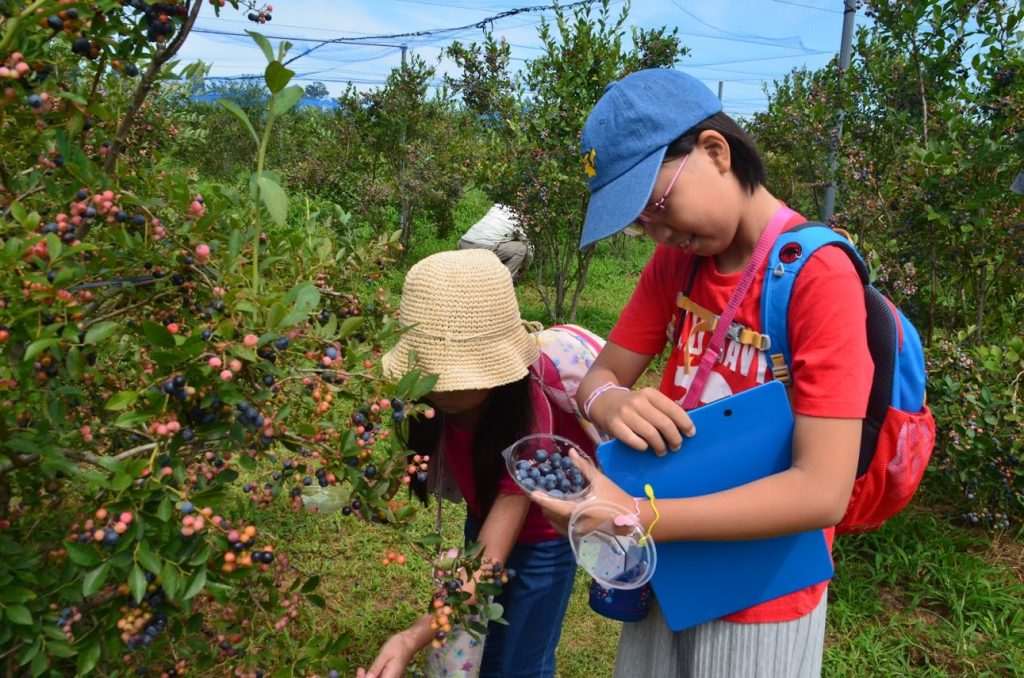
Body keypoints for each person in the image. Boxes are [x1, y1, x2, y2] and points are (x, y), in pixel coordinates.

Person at [530, 68, 874, 677]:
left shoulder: (815, 277)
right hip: (671, 564)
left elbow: (823, 491)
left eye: (658, 207)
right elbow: (601, 375)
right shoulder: (676, 264)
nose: (659, 233)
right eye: (641, 224)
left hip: (760, 591)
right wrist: (611, 401)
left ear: (715, 152)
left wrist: (639, 517)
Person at [357, 249, 596, 678]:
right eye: (431, 374)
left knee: (522, 663)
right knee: (483, 645)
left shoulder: (528, 427)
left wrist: (413, 637)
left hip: (545, 540)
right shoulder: (429, 408)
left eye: (453, 376)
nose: (439, 389)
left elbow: (485, 563)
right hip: (482, 515)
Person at [457, 203, 533, 282]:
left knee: (498, 242)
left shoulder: (497, 207)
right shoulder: (518, 221)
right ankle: (502, 281)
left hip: (463, 243)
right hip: (480, 248)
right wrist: (525, 267)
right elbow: (529, 248)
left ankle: (487, 273)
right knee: (522, 248)